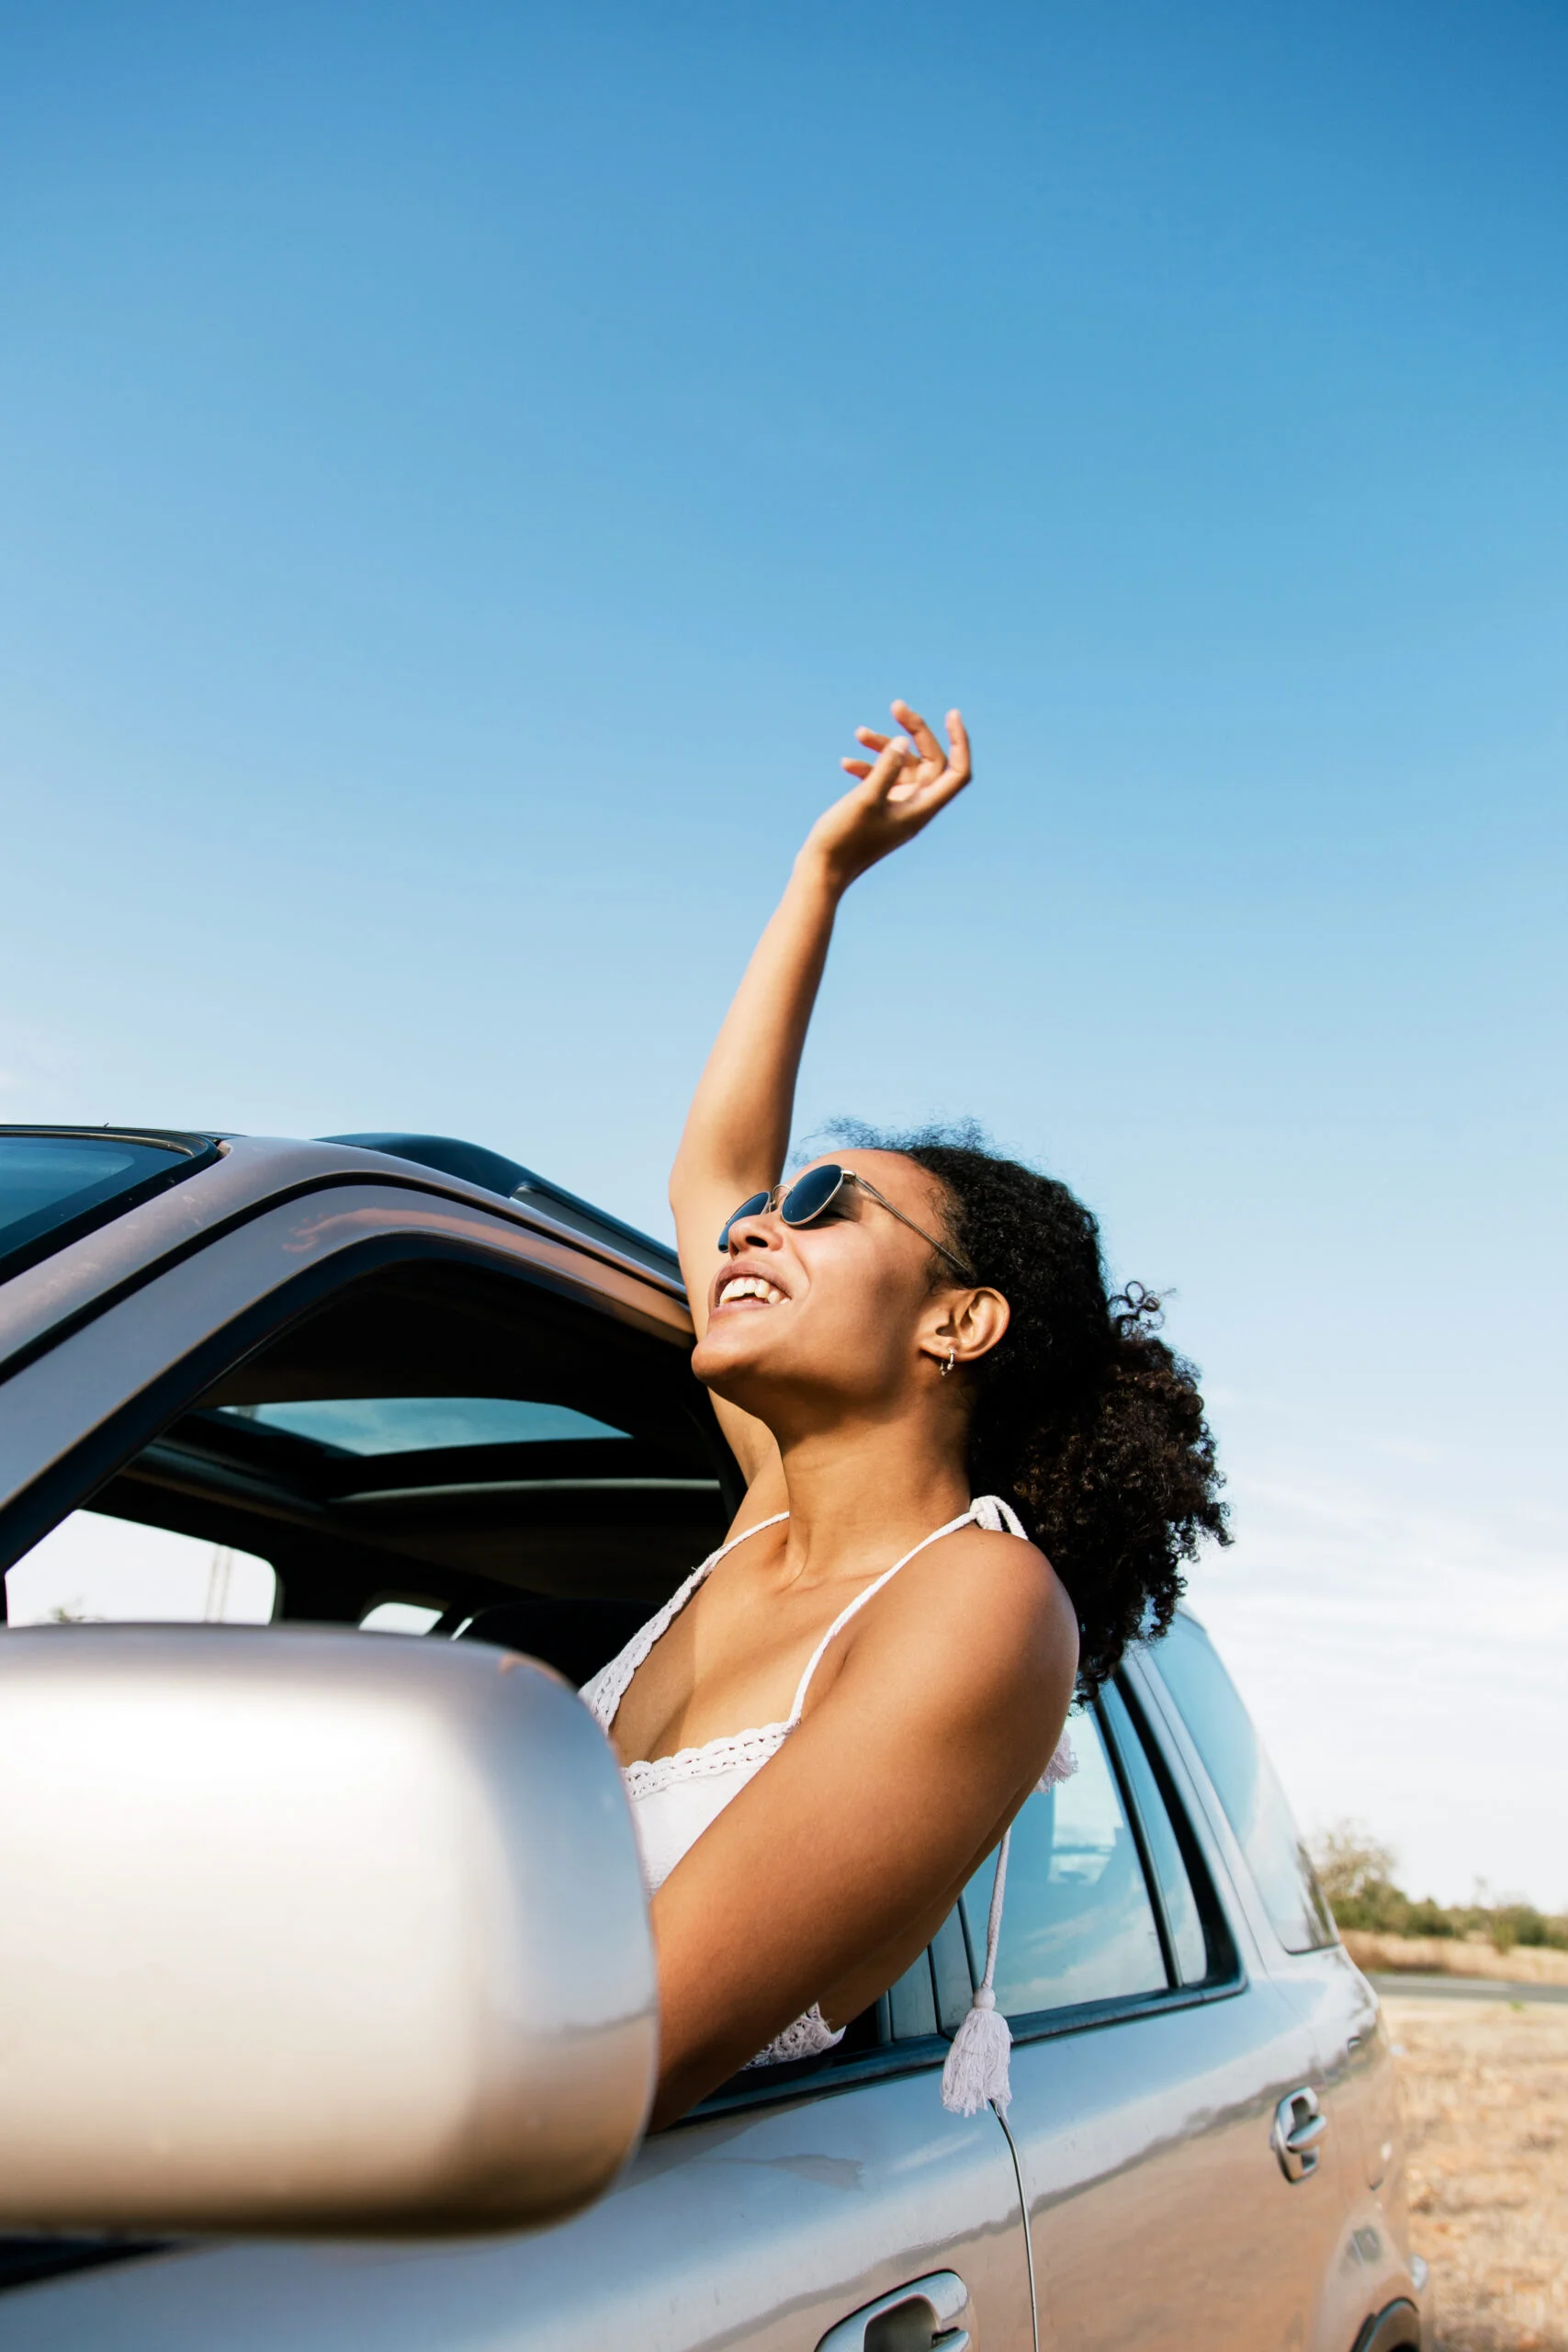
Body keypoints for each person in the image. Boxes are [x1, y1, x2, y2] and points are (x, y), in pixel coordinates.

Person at [583, 701, 1228, 2128]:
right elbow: (715, 1172)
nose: (757, 1227)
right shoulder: (765, 1522)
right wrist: (819, 878)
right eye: (768, 1213)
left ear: (959, 1320)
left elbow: (609, 2061)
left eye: (823, 1208)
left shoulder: (979, 1605)